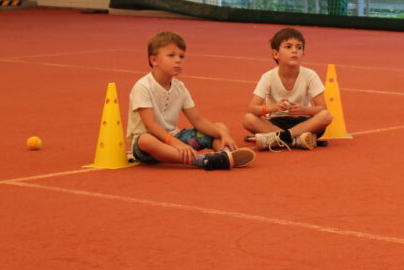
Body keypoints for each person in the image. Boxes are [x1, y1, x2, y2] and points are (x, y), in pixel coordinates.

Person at [127, 31, 255, 170]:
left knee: (219, 127)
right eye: (171, 55)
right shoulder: (143, 86)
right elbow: (150, 125)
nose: (178, 60)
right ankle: (201, 160)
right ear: (154, 60)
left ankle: (226, 155)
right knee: (146, 140)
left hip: (175, 139)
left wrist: (223, 134)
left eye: (181, 56)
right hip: (148, 147)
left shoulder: (180, 87)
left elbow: (198, 120)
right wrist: (177, 144)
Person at [243, 27, 332, 151]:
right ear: (275, 54)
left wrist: (303, 110)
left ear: (303, 53)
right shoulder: (268, 77)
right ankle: (296, 140)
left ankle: (279, 138)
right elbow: (252, 108)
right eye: (288, 47)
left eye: (299, 47)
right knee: (248, 119)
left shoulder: (310, 75)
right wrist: (272, 107)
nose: (294, 51)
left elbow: (322, 108)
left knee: (326, 116)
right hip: (275, 122)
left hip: (303, 122)